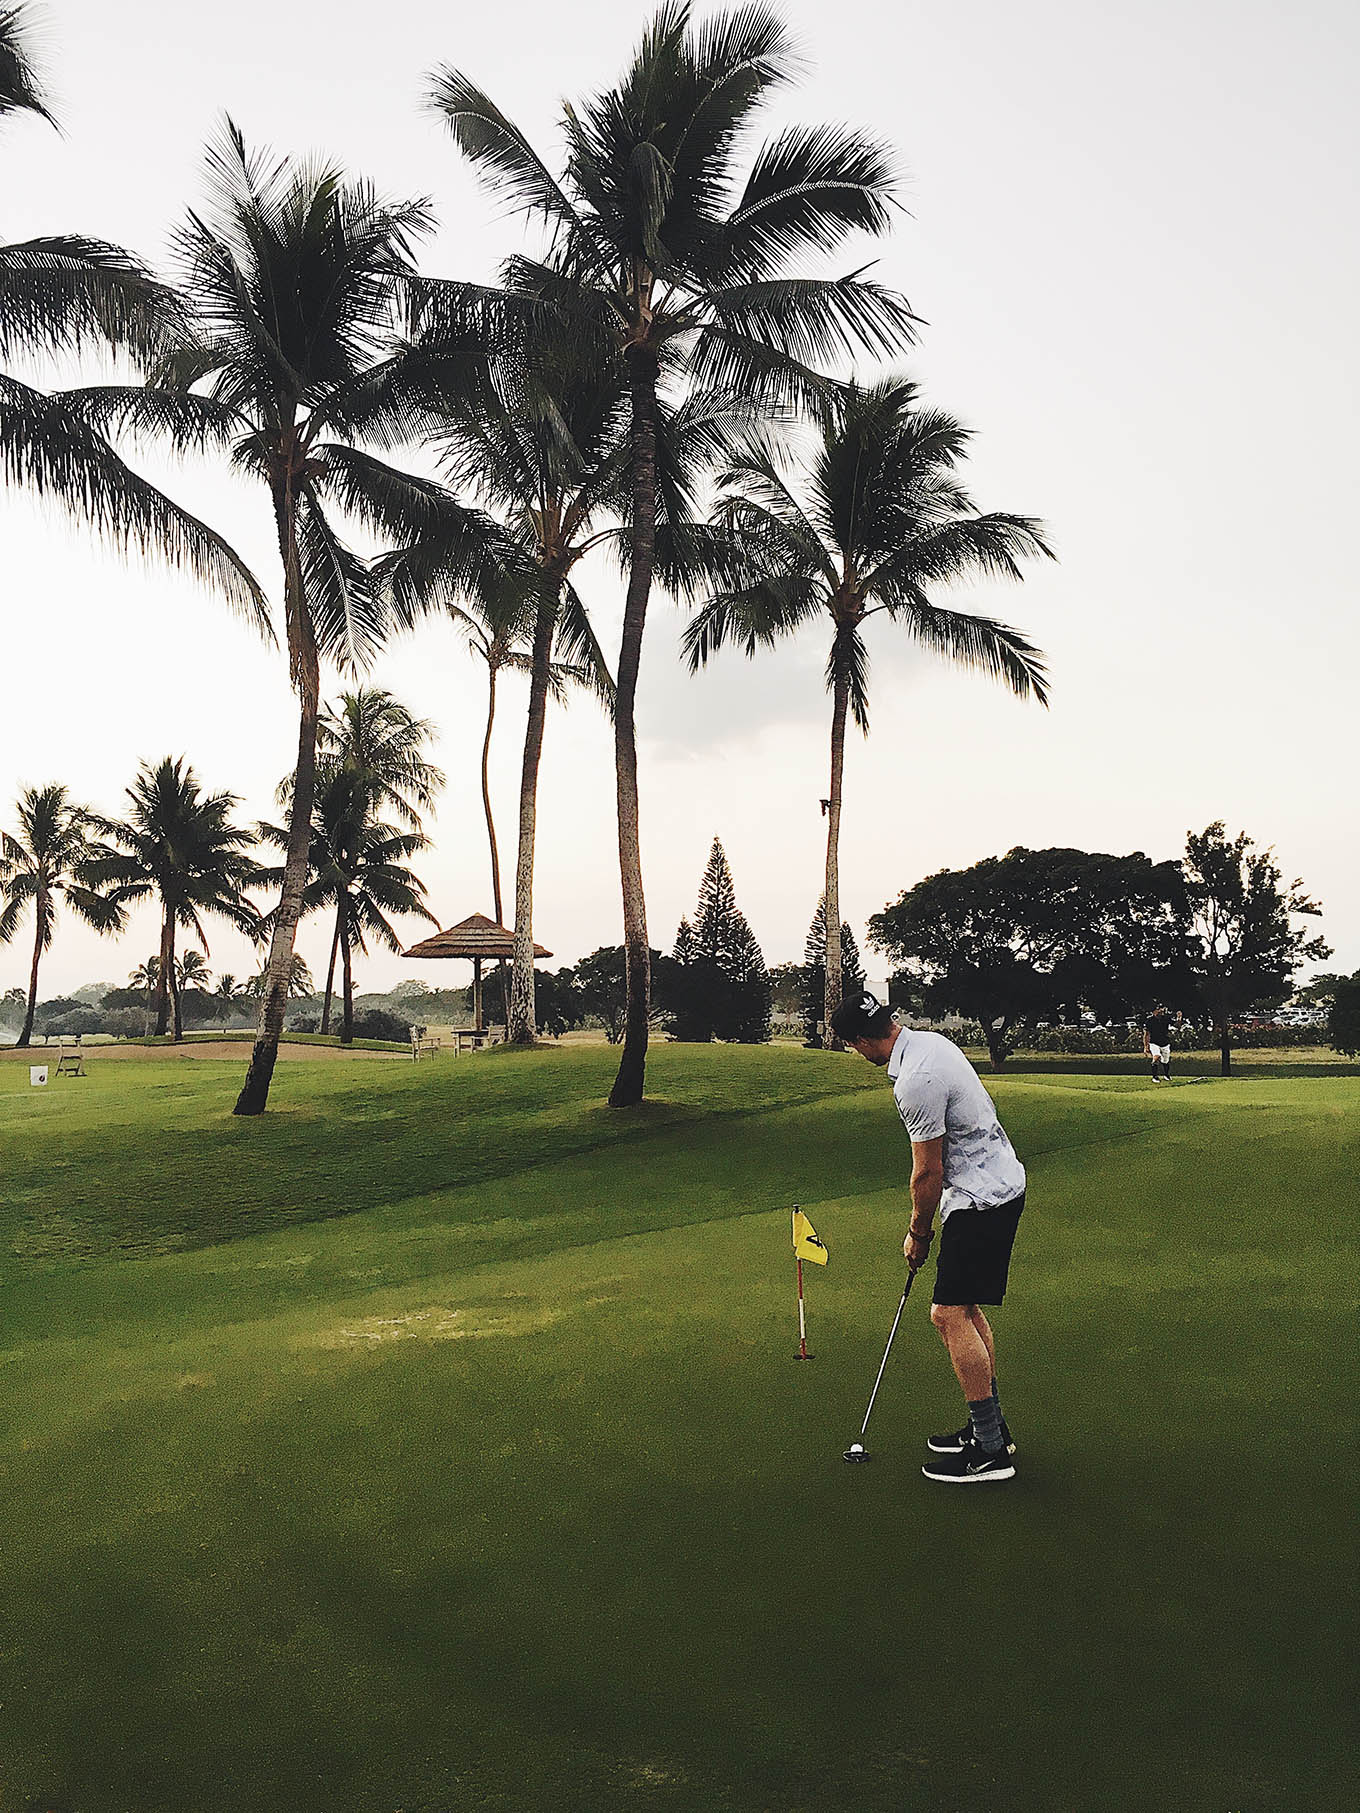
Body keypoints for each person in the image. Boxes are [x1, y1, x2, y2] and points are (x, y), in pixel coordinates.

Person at [829, 991, 1027, 1484]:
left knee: (946, 1314)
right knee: (966, 1309)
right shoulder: (930, 1044)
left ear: (859, 1041)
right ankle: (990, 1429)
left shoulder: (916, 1079)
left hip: (980, 1198)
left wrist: (919, 1232)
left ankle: (990, 1453)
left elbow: (927, 1171)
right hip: (997, 1185)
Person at [1143, 1003, 1175, 1082]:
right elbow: (1146, 1034)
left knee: (1165, 1061)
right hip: (1154, 1042)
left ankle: (1166, 1075)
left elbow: (1176, 1025)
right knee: (1156, 1056)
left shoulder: (1166, 1018)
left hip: (1165, 1043)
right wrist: (1146, 1046)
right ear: (1154, 1011)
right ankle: (1155, 1077)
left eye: (1161, 1009)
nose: (1161, 1010)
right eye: (1159, 1009)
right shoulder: (1149, 1021)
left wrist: (1179, 1018)